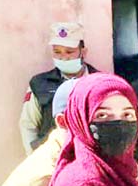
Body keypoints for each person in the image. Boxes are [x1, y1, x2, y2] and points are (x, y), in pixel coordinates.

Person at [20, 22, 97, 154]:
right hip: (53, 158)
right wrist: (35, 158)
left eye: (69, 52)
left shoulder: (99, 81)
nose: (63, 57)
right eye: (57, 52)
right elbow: (28, 125)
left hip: (91, 156)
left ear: (83, 52)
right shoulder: (39, 84)